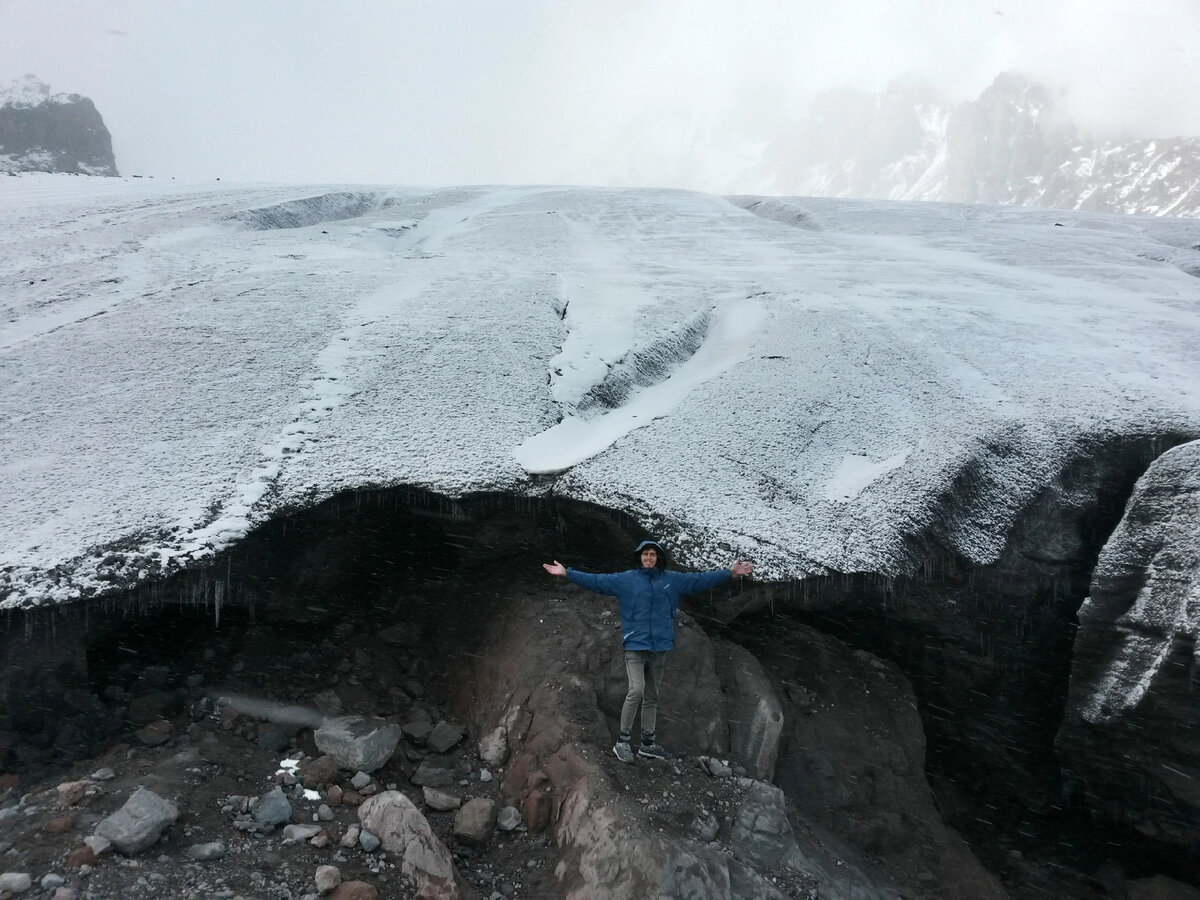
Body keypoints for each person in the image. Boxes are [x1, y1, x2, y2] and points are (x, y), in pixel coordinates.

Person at [543, 540, 753, 763]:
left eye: (653, 554)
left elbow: (700, 580)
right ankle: (622, 742)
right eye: (646, 554)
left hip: (660, 647)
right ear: (640, 557)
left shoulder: (672, 580)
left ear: (658, 558)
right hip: (636, 645)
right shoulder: (627, 579)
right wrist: (568, 573)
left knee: (652, 696)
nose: (649, 558)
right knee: (637, 690)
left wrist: (730, 573)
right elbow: (597, 581)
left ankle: (647, 745)